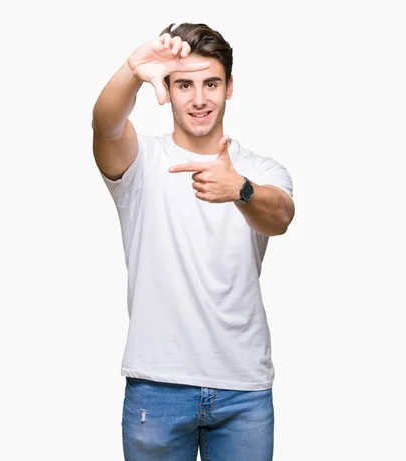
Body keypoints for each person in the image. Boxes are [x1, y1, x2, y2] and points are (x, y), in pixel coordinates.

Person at [91, 22, 295, 461]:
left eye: (211, 84)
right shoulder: (141, 161)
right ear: (166, 88)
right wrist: (132, 70)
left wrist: (240, 189)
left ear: (229, 87)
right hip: (157, 385)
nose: (199, 99)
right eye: (184, 84)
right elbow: (105, 125)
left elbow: (281, 217)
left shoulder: (259, 170)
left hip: (243, 391)